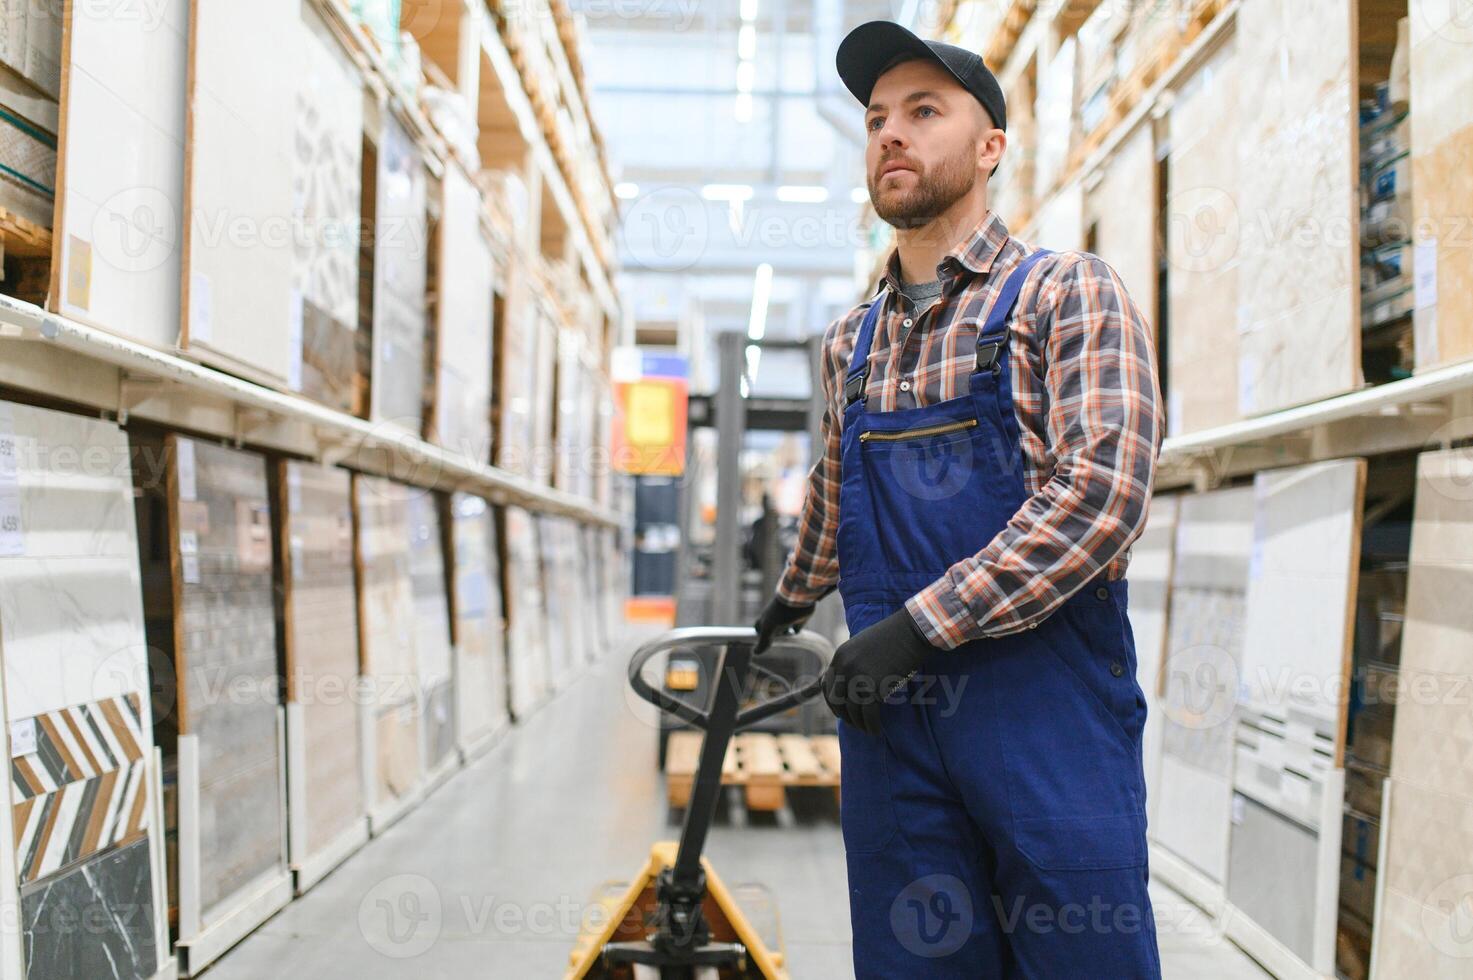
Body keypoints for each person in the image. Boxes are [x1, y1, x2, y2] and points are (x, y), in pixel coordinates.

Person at [752, 20, 1166, 979]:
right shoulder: (849, 344)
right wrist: (784, 603)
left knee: (1082, 959)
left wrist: (916, 629)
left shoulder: (1066, 295)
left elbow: (1099, 499)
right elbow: (833, 488)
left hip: (1043, 715)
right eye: (875, 119)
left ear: (990, 148)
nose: (890, 134)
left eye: (924, 112)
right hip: (894, 726)